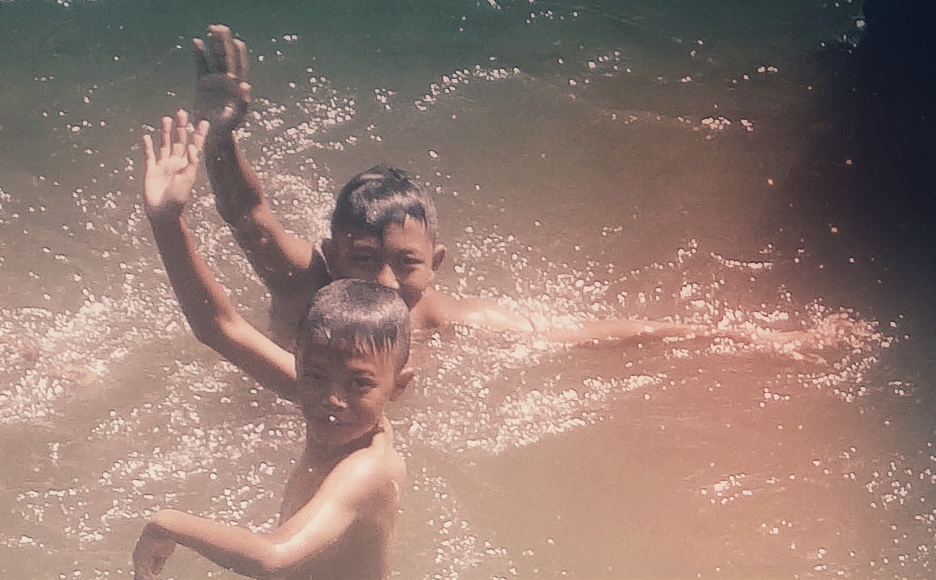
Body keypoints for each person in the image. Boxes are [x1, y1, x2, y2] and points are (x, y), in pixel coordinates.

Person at [189, 21, 837, 356]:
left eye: (406, 265)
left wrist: (754, 340)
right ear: (331, 250)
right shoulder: (305, 284)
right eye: (363, 259)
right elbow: (247, 215)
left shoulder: (440, 318)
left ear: (435, 266)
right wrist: (220, 136)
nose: (385, 280)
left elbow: (596, 333)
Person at [132, 110, 409, 580]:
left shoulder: (366, 470)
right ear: (300, 364)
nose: (330, 398)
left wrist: (169, 522)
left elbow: (273, 558)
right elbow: (219, 327)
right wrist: (167, 222)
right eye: (315, 375)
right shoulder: (331, 403)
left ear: (397, 386)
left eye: (359, 384)